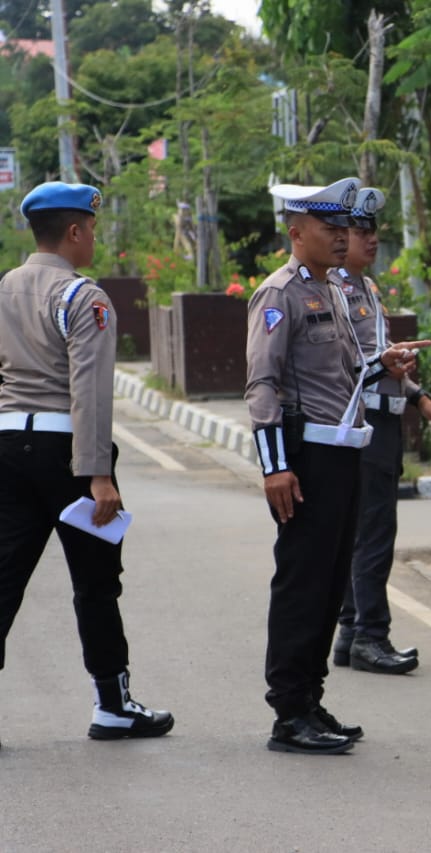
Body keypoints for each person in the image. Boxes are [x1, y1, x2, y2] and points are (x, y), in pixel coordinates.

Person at [246, 178, 429, 755]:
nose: (343, 237)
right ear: (297, 233)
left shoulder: (335, 292)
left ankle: (309, 698)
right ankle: (288, 712)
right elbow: (263, 386)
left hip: (345, 449)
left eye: (345, 228)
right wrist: (275, 468)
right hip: (306, 457)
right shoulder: (280, 295)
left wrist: (386, 364)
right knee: (302, 583)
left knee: (330, 584)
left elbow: (347, 377)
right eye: (331, 229)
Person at [0, 181, 173, 745]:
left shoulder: (5, 287)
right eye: (92, 229)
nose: (94, 238)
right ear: (74, 232)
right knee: (96, 584)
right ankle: (113, 705)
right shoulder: (84, 297)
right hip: (67, 455)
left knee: (3, 581)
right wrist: (98, 474)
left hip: (8, 445)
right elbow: (90, 392)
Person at [330, 187, 431, 676]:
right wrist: (388, 364)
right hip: (363, 423)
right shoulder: (338, 290)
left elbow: (378, 363)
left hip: (380, 416)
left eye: (372, 231)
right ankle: (370, 636)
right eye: (361, 231)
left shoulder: (364, 287)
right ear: (340, 237)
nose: (371, 239)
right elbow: (347, 364)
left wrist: (420, 397)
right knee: (373, 535)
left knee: (360, 533)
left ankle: (349, 633)